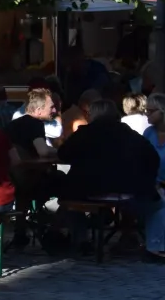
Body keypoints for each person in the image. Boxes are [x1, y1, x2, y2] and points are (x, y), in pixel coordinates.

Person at [57, 98, 165, 260]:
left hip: (87, 190)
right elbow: (152, 158)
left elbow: (63, 154)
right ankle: (154, 247)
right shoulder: (129, 134)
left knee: (66, 198)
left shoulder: (85, 133)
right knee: (158, 206)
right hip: (128, 190)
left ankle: (81, 240)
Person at [8, 87, 59, 161]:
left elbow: (40, 145)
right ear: (39, 110)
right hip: (26, 170)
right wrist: (61, 153)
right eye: (51, 107)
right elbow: (43, 151)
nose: (54, 110)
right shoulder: (35, 124)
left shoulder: (15, 124)